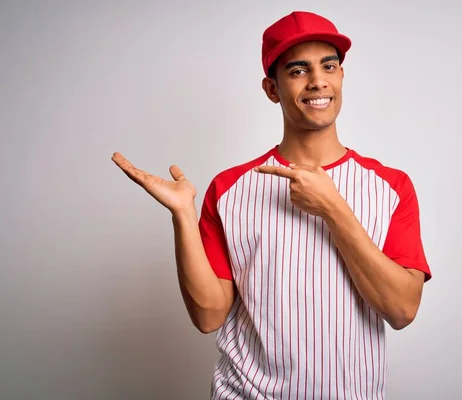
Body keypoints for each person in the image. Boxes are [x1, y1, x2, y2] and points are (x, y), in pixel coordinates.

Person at [112, 10, 432, 400]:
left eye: (328, 66)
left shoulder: (391, 186)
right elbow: (209, 315)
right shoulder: (228, 188)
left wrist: (333, 207)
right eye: (298, 71)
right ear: (272, 89)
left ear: (341, 76)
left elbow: (401, 310)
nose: (317, 81)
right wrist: (182, 215)